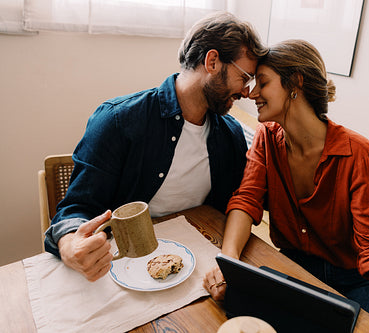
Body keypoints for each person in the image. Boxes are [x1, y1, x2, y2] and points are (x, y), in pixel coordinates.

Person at [203, 40, 369, 333]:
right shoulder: (266, 137)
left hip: (354, 278)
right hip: (294, 266)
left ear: (295, 82)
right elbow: (246, 200)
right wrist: (229, 262)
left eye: (263, 83)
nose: (251, 92)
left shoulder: (358, 153)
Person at [44, 12, 268, 282]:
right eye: (244, 78)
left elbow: (243, 202)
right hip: (123, 266)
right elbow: (75, 208)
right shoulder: (118, 120)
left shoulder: (229, 134)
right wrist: (70, 246)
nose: (247, 91)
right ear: (212, 61)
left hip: (195, 264)